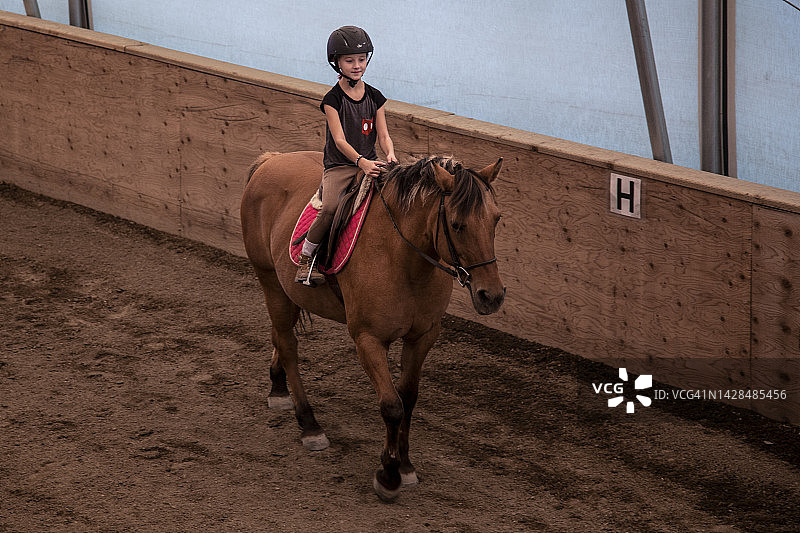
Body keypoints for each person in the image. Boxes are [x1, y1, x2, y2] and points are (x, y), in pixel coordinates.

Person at [295, 25, 397, 286]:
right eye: (349, 60)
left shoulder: (376, 97)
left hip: (371, 163)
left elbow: (383, 135)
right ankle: (307, 259)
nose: (357, 65)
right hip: (341, 167)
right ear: (336, 62)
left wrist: (391, 154)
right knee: (329, 209)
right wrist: (360, 162)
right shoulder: (332, 100)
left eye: (361, 59)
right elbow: (339, 140)